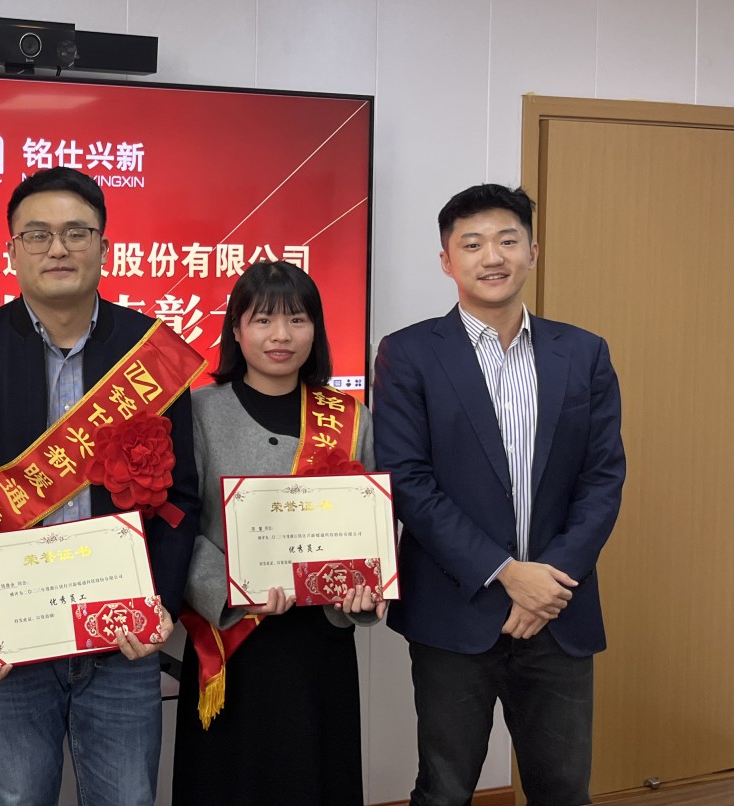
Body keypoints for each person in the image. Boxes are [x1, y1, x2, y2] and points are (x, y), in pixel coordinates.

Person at [0, 167, 202, 805]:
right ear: (11, 250)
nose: (58, 248)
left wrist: (157, 602)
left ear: (104, 247)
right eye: (38, 234)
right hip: (11, 633)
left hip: (122, 638)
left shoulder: (151, 352)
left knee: (127, 799)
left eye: (77, 232)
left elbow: (181, 498)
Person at [373, 184, 625, 806]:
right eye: (473, 244)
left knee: (563, 789)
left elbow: (603, 478)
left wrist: (550, 580)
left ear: (532, 251)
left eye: (508, 240)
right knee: (445, 788)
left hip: (559, 612)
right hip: (453, 612)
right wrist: (508, 573)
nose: (492, 257)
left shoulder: (584, 353)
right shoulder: (408, 354)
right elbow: (408, 480)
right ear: (446, 260)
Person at [170, 260, 382, 805]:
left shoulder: (350, 416)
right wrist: (233, 589)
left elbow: (371, 527)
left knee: (315, 778)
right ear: (237, 330)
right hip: (233, 642)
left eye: (297, 319)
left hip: (319, 645)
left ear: (316, 330)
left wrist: (366, 588)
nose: (281, 335)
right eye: (263, 319)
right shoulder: (198, 411)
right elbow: (176, 524)